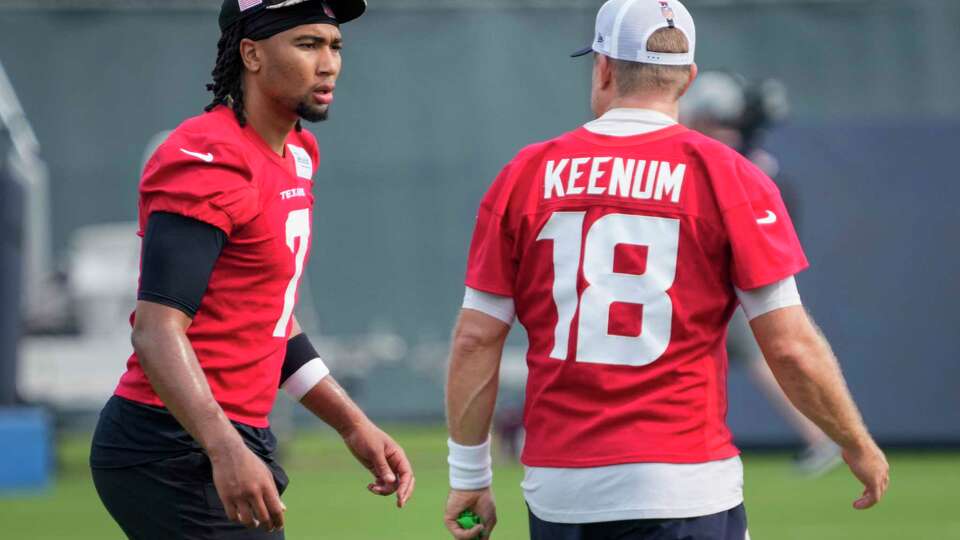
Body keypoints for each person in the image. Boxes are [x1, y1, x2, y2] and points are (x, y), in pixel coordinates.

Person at [442, 1, 888, 538]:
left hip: (561, 489)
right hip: (684, 482)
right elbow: (790, 344)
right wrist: (853, 441)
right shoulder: (729, 176)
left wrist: (470, 476)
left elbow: (475, 339)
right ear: (687, 78)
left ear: (604, 67)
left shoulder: (525, 174)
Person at [89, 1, 414, 538]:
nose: (328, 63)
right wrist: (225, 448)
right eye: (307, 44)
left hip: (233, 433)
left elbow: (273, 322)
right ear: (252, 54)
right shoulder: (207, 156)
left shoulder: (300, 153)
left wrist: (353, 426)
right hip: (170, 445)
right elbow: (156, 331)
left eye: (335, 46)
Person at [681, 71, 842, 475]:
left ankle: (820, 436)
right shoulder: (740, 151)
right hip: (734, 265)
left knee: (768, 355)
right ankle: (822, 435)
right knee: (757, 354)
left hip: (733, 270)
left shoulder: (727, 152)